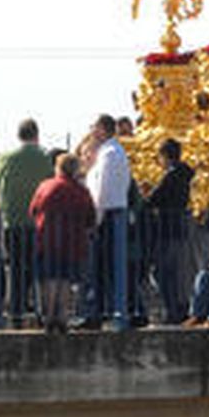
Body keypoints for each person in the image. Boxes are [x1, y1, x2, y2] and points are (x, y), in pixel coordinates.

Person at [0, 118, 55, 327]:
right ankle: (39, 311)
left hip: (12, 220)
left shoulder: (5, 157)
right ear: (36, 135)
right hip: (38, 222)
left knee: (16, 267)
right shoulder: (44, 157)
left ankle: (17, 311)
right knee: (37, 268)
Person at [29, 152, 96, 332]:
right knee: (66, 281)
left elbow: (33, 211)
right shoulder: (81, 191)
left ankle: (49, 317)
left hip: (47, 240)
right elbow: (91, 218)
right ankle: (62, 317)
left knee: (50, 279)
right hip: (72, 243)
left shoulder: (45, 186)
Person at [80, 114, 132, 328]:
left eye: (94, 126)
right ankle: (108, 312)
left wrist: (96, 219)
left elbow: (102, 191)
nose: (91, 130)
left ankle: (107, 313)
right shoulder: (114, 152)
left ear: (102, 129)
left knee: (105, 267)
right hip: (112, 212)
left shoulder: (109, 154)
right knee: (108, 267)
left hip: (108, 214)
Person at [144, 138, 195, 325]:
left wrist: (147, 195)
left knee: (163, 271)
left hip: (167, 228)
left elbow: (153, 200)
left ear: (165, 156)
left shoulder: (171, 175)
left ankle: (173, 309)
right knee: (176, 271)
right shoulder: (186, 173)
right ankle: (179, 307)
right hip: (179, 227)